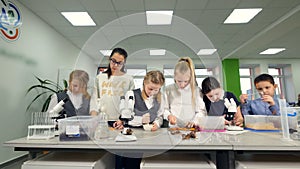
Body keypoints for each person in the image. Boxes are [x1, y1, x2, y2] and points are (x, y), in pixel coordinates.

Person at [115, 70, 165, 169]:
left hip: (150, 137)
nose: (153, 92)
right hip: (132, 136)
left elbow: (160, 116)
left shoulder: (160, 97)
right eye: (150, 89)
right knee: (131, 164)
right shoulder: (131, 94)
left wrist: (156, 123)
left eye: (157, 90)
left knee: (146, 164)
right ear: (144, 83)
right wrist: (140, 120)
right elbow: (126, 117)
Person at [89, 48, 135, 122]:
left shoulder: (128, 79)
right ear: (109, 59)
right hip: (102, 120)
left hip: (120, 121)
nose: (115, 65)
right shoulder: (100, 78)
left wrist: (125, 119)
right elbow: (94, 100)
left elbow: (131, 102)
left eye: (119, 63)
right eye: (113, 61)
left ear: (124, 63)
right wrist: (93, 118)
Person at [163, 57, 207, 128]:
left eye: (186, 81)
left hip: (191, 128)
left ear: (190, 78)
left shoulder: (196, 90)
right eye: (179, 81)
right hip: (174, 128)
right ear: (174, 77)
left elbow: (201, 111)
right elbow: (164, 109)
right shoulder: (168, 89)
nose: (182, 85)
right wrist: (169, 115)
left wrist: (194, 121)